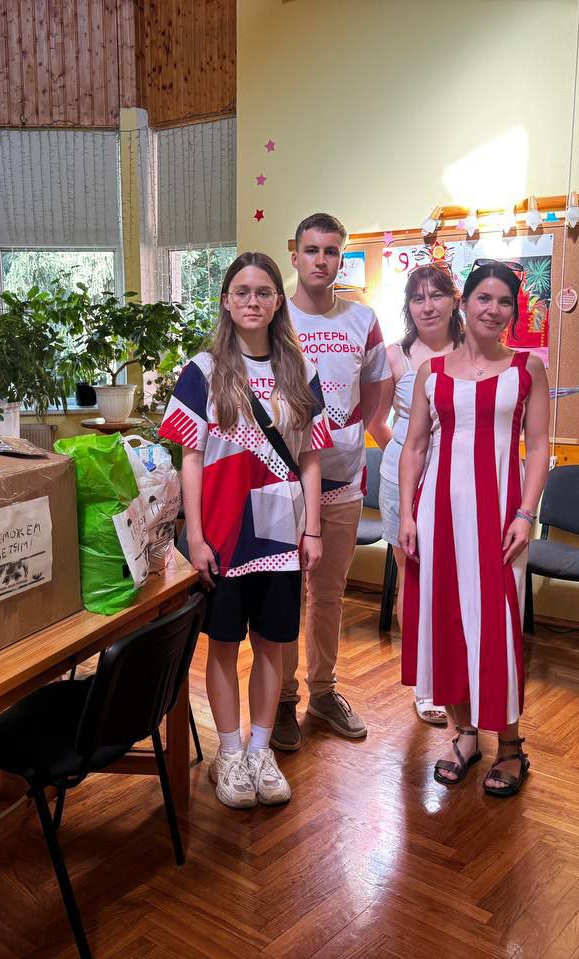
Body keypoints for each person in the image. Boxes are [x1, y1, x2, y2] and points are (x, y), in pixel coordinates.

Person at [159, 251, 331, 809]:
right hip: (224, 532)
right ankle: (229, 753)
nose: (252, 301)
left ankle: (261, 749)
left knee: (272, 645)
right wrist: (195, 536)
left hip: (281, 532)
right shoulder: (203, 371)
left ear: (277, 301)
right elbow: (190, 459)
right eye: (242, 291)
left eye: (262, 292)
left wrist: (313, 530)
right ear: (226, 301)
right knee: (224, 644)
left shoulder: (300, 371)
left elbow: (310, 458)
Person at [398, 260, 550, 796]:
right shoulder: (432, 371)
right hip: (437, 512)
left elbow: (539, 448)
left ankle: (510, 746)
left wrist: (526, 514)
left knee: (498, 626)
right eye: (484, 298)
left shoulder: (527, 368)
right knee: (447, 619)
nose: (494, 309)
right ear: (464, 303)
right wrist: (408, 514)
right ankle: (464, 734)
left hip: (502, 518)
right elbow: (415, 446)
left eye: (505, 301)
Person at [273, 213, 392, 752]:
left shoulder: (362, 319)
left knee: (328, 595)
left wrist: (350, 430)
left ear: (341, 258)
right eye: (312, 250)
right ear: (295, 255)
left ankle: (323, 692)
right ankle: (281, 699)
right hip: (281, 483)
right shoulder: (275, 316)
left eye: (331, 251)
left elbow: (377, 388)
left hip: (342, 480)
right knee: (282, 596)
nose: (321, 260)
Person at [368, 263, 463, 726]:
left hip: (457, 478)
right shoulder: (395, 355)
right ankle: (425, 685)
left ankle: (456, 674)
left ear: (454, 299)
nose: (428, 306)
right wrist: (405, 458)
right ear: (408, 306)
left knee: (453, 578)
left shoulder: (472, 350)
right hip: (400, 481)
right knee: (412, 576)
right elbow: (376, 421)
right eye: (418, 298)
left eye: (436, 295)